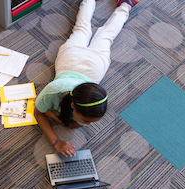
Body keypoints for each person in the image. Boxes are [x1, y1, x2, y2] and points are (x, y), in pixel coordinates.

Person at [34, 0, 138, 157]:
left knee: (94, 31)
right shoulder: (53, 89)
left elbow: (53, 116)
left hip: (88, 62)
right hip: (76, 60)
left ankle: (124, 5)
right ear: (73, 105)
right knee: (91, 30)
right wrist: (56, 141)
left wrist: (54, 116)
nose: (88, 124)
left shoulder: (83, 104)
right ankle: (125, 5)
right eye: (87, 121)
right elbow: (39, 113)